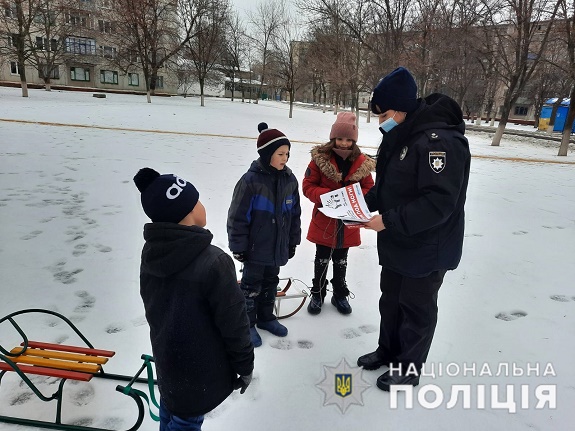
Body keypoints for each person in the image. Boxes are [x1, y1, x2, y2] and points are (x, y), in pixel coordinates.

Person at [357, 67, 471, 391]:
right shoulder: (398, 135)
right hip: (398, 240)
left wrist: (389, 220)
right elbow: (390, 186)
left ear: (401, 108)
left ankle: (408, 368)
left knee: (416, 309)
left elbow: (439, 202)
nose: (380, 121)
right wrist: (362, 202)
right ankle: (388, 351)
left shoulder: (441, 142)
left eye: (383, 114)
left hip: (428, 246)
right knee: (390, 300)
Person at [134, 167, 254, 431]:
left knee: (173, 411)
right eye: (196, 200)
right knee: (186, 423)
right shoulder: (214, 261)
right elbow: (234, 321)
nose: (202, 205)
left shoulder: (152, 253)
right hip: (203, 369)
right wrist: (245, 364)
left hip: (169, 362)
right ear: (187, 212)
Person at [227, 123, 301, 348]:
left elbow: (295, 214)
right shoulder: (251, 182)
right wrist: (238, 245)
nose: (285, 158)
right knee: (250, 287)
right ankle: (247, 323)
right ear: (267, 154)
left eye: (287, 154)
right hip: (255, 248)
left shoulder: (290, 180)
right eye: (280, 154)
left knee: (271, 282)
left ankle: (267, 317)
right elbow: (237, 216)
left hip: (276, 247)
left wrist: (292, 241)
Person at [302, 112, 375, 315]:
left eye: (349, 139)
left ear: (354, 140)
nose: (344, 143)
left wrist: (355, 196)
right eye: (340, 138)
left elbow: (370, 188)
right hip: (324, 220)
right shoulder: (320, 160)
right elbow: (308, 186)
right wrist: (328, 195)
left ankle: (339, 292)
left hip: (348, 221)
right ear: (333, 137)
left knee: (341, 259)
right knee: (322, 258)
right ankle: (318, 291)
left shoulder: (361, 163)